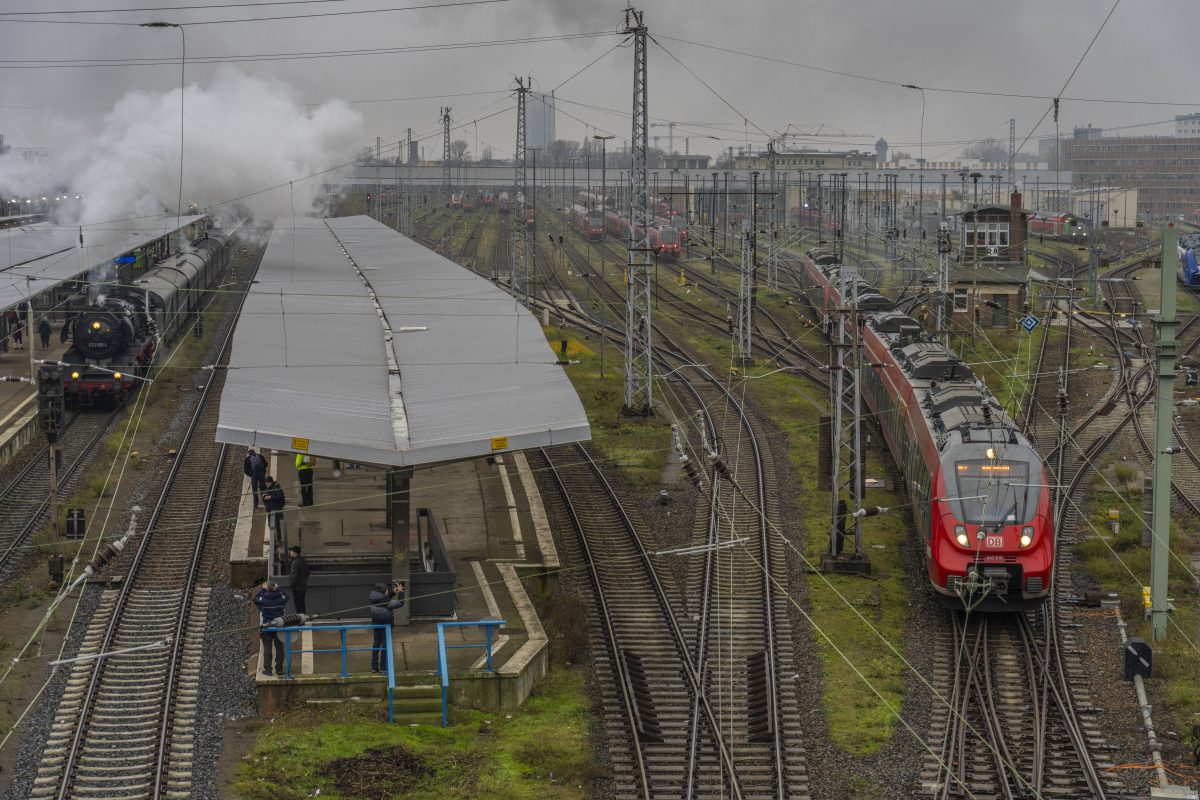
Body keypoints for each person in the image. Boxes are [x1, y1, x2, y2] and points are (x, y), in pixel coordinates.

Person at [253, 580, 289, 676]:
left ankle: (268, 669)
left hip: (267, 627)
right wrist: (277, 588)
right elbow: (286, 595)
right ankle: (279, 669)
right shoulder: (281, 598)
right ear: (275, 588)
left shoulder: (263, 599)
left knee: (267, 648)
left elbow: (255, 598)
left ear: (266, 589)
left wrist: (262, 589)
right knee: (279, 647)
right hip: (279, 626)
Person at [368, 580, 405, 674]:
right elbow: (400, 603)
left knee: (376, 645)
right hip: (386, 627)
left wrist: (393, 592)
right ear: (384, 592)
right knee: (385, 646)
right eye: (387, 590)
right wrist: (401, 592)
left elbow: (384, 600)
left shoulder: (373, 598)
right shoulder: (387, 602)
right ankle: (383, 668)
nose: (388, 591)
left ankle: (374, 667)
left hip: (376, 625)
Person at [288, 545, 310, 615]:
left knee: (298, 606)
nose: (290, 553)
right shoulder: (303, 561)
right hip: (303, 586)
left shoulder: (295, 563)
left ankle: (301, 621)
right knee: (302, 604)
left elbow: (294, 577)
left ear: (294, 553)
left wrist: (292, 586)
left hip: (297, 588)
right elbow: (308, 573)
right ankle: (304, 617)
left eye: (291, 552)